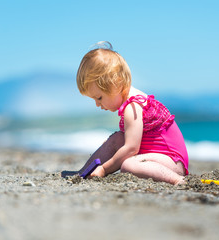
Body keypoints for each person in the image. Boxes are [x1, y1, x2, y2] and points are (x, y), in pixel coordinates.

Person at [75, 41, 189, 185]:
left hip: (172, 162)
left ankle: (178, 180)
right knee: (117, 139)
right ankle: (82, 172)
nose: (97, 104)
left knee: (129, 165)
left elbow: (131, 148)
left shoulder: (133, 106)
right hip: (154, 157)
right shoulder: (129, 102)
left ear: (116, 83)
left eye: (99, 97)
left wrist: (104, 168)